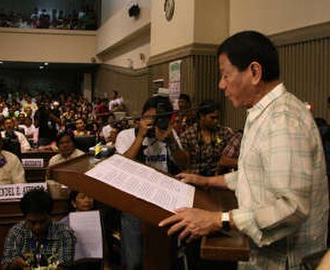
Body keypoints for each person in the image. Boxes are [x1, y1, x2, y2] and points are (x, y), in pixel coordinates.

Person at [159, 31, 329, 269]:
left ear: (254, 72)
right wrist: (206, 181)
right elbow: (254, 175)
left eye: (225, 75)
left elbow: (291, 206)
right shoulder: (263, 113)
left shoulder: (283, 120)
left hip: (283, 261)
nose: (221, 84)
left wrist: (220, 220)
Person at [115, 95, 187, 270]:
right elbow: (122, 167)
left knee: (162, 257)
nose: (154, 122)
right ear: (141, 116)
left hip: (163, 202)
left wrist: (170, 141)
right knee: (134, 260)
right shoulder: (125, 135)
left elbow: (184, 164)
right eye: (150, 117)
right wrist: (140, 137)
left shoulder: (169, 135)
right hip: (134, 202)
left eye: (159, 118)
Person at [1, 188, 76, 270]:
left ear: (50, 215)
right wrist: (15, 264)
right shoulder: (16, 232)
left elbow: (65, 266)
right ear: (25, 218)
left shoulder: (64, 232)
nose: (38, 227)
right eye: (32, 222)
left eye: (42, 221)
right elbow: (5, 266)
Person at [180, 100, 234, 176]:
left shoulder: (225, 133)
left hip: (218, 179)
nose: (216, 121)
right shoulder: (188, 135)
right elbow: (185, 164)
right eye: (212, 118)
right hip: (196, 179)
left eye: (217, 118)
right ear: (202, 116)